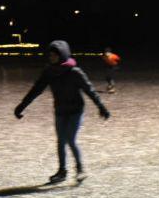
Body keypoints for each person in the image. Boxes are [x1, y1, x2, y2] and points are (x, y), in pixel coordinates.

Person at [15, 40, 109, 184]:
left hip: (75, 110)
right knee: (60, 141)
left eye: (54, 55)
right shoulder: (49, 72)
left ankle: (80, 169)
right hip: (60, 110)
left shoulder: (75, 72)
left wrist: (101, 107)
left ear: (62, 55)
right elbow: (36, 90)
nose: (51, 57)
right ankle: (62, 172)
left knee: (70, 139)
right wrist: (22, 106)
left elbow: (89, 90)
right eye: (50, 55)